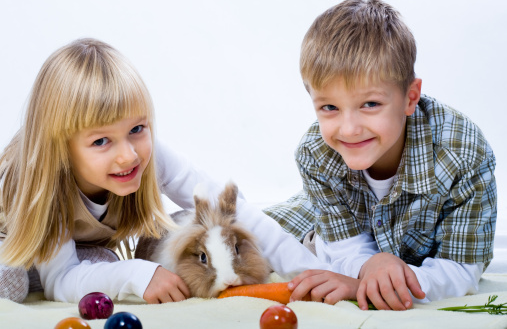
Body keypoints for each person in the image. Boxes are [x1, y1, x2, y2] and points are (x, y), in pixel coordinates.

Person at [0, 38, 332, 304]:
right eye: (101, 140)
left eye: (137, 129)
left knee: (123, 257)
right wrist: (135, 274)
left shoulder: (147, 155)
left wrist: (312, 270)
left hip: (80, 244)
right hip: (15, 240)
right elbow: (60, 281)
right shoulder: (42, 181)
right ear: (62, 150)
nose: (128, 156)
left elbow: (226, 208)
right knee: (13, 281)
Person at [265, 0, 497, 311]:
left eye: (370, 104)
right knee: (249, 232)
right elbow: (344, 248)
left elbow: (461, 268)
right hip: (320, 223)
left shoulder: (462, 154)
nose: (348, 129)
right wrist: (367, 267)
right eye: (329, 107)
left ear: (410, 97)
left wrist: (370, 285)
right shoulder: (315, 153)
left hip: (408, 255)